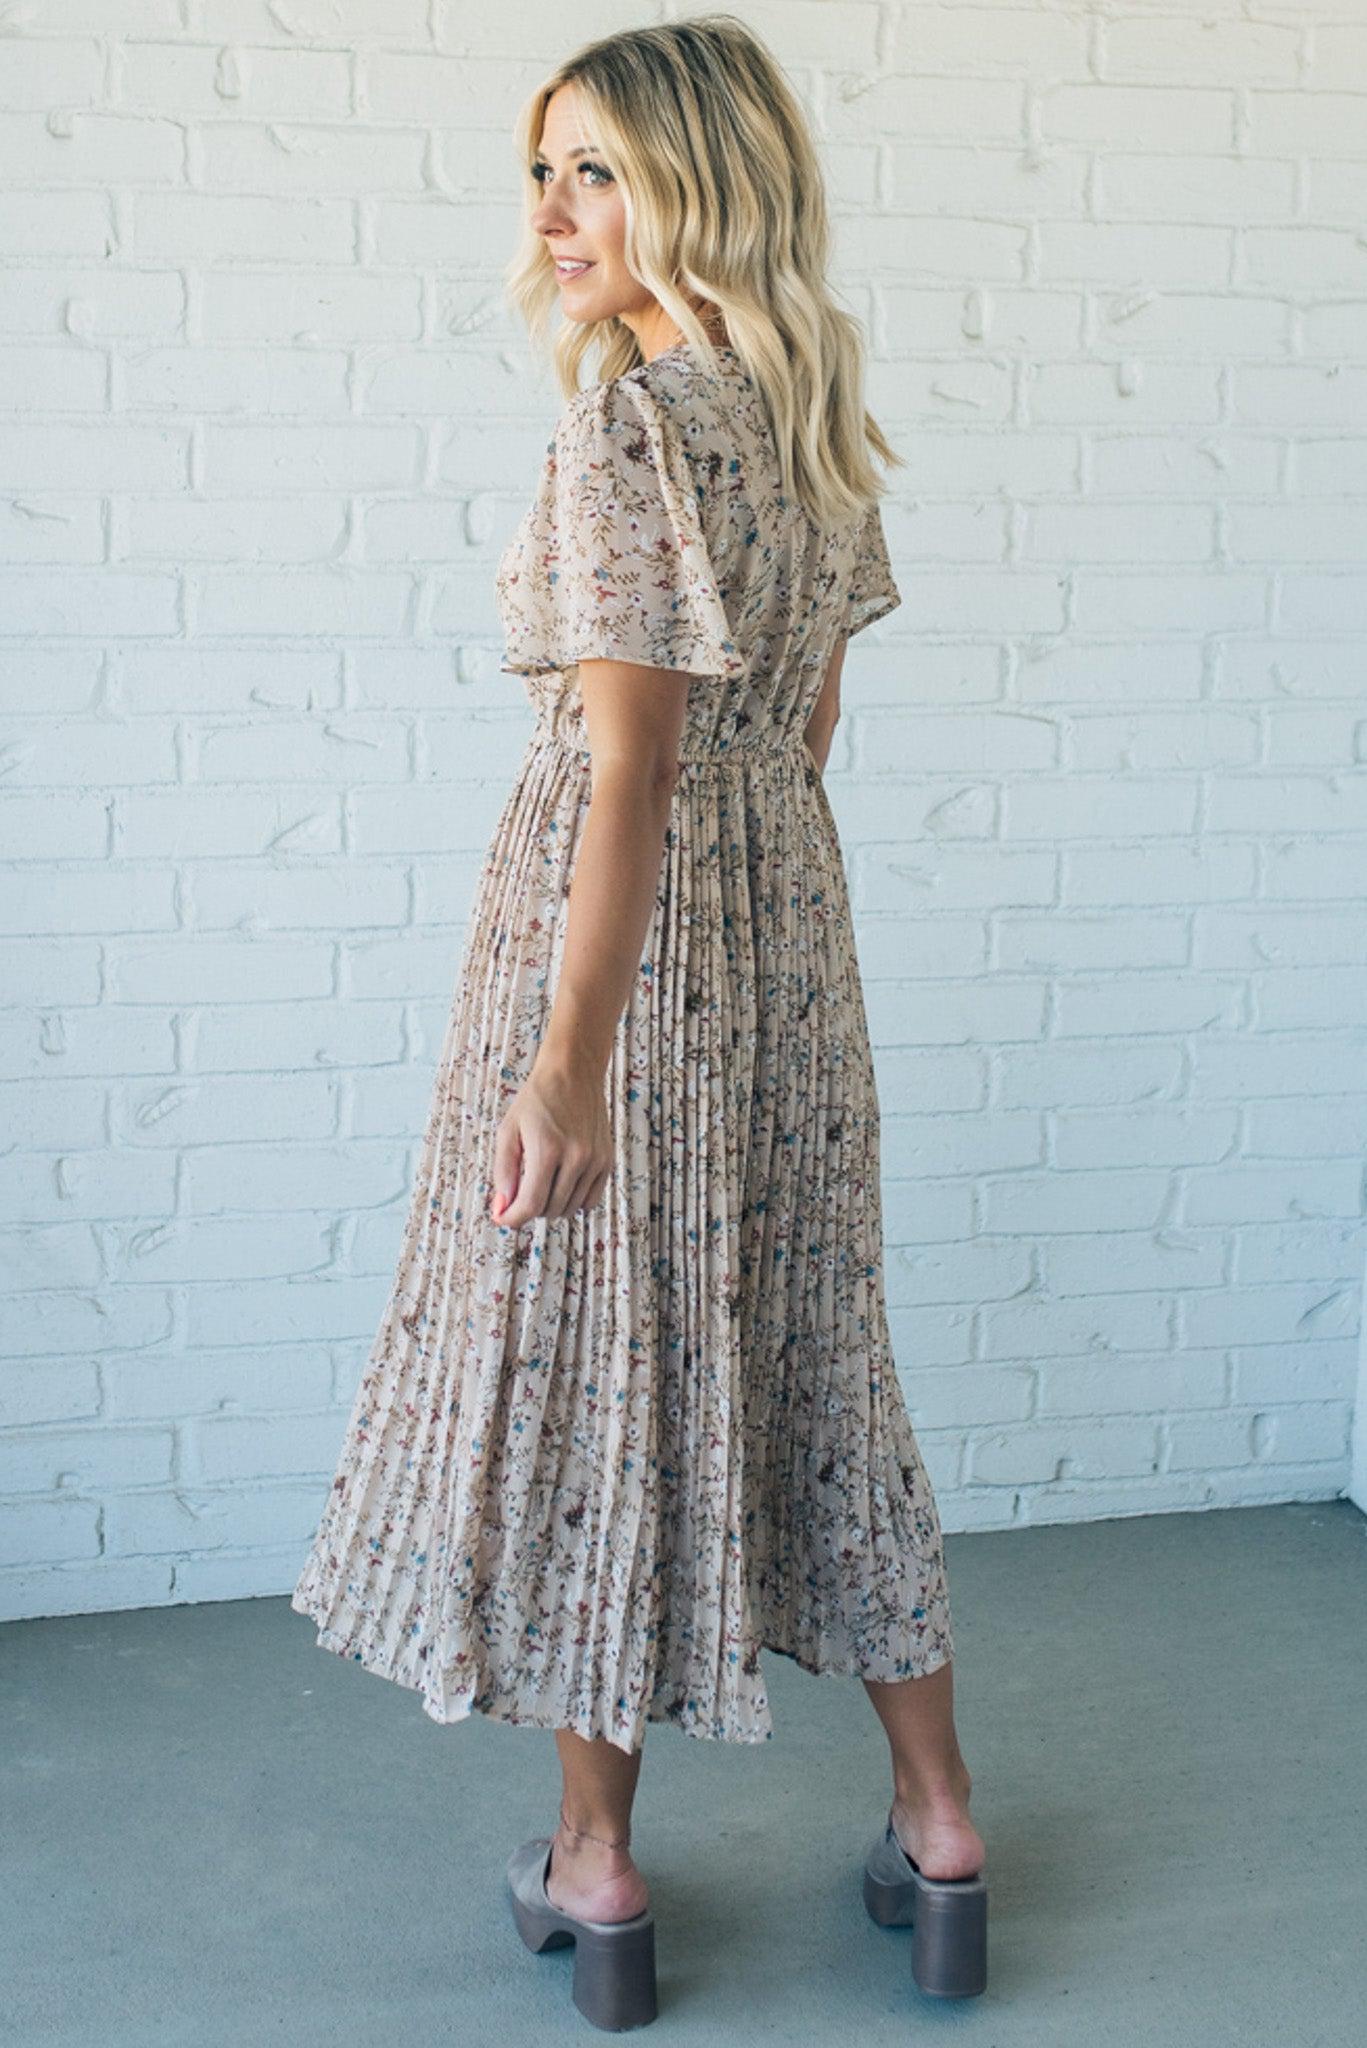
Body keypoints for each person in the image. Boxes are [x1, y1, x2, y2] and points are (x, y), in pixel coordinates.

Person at [291, 12, 986, 2027]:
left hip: (626, 950)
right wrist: (752, 930)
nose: (553, 212)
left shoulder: (628, 433)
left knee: (607, 1379)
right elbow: (808, 723)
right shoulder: (810, 411)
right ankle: (943, 1823)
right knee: (820, 1355)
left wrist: (568, 1056)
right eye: (543, 170)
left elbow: (632, 770)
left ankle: (594, 1868)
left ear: (700, 180)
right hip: (788, 940)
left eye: (595, 168)